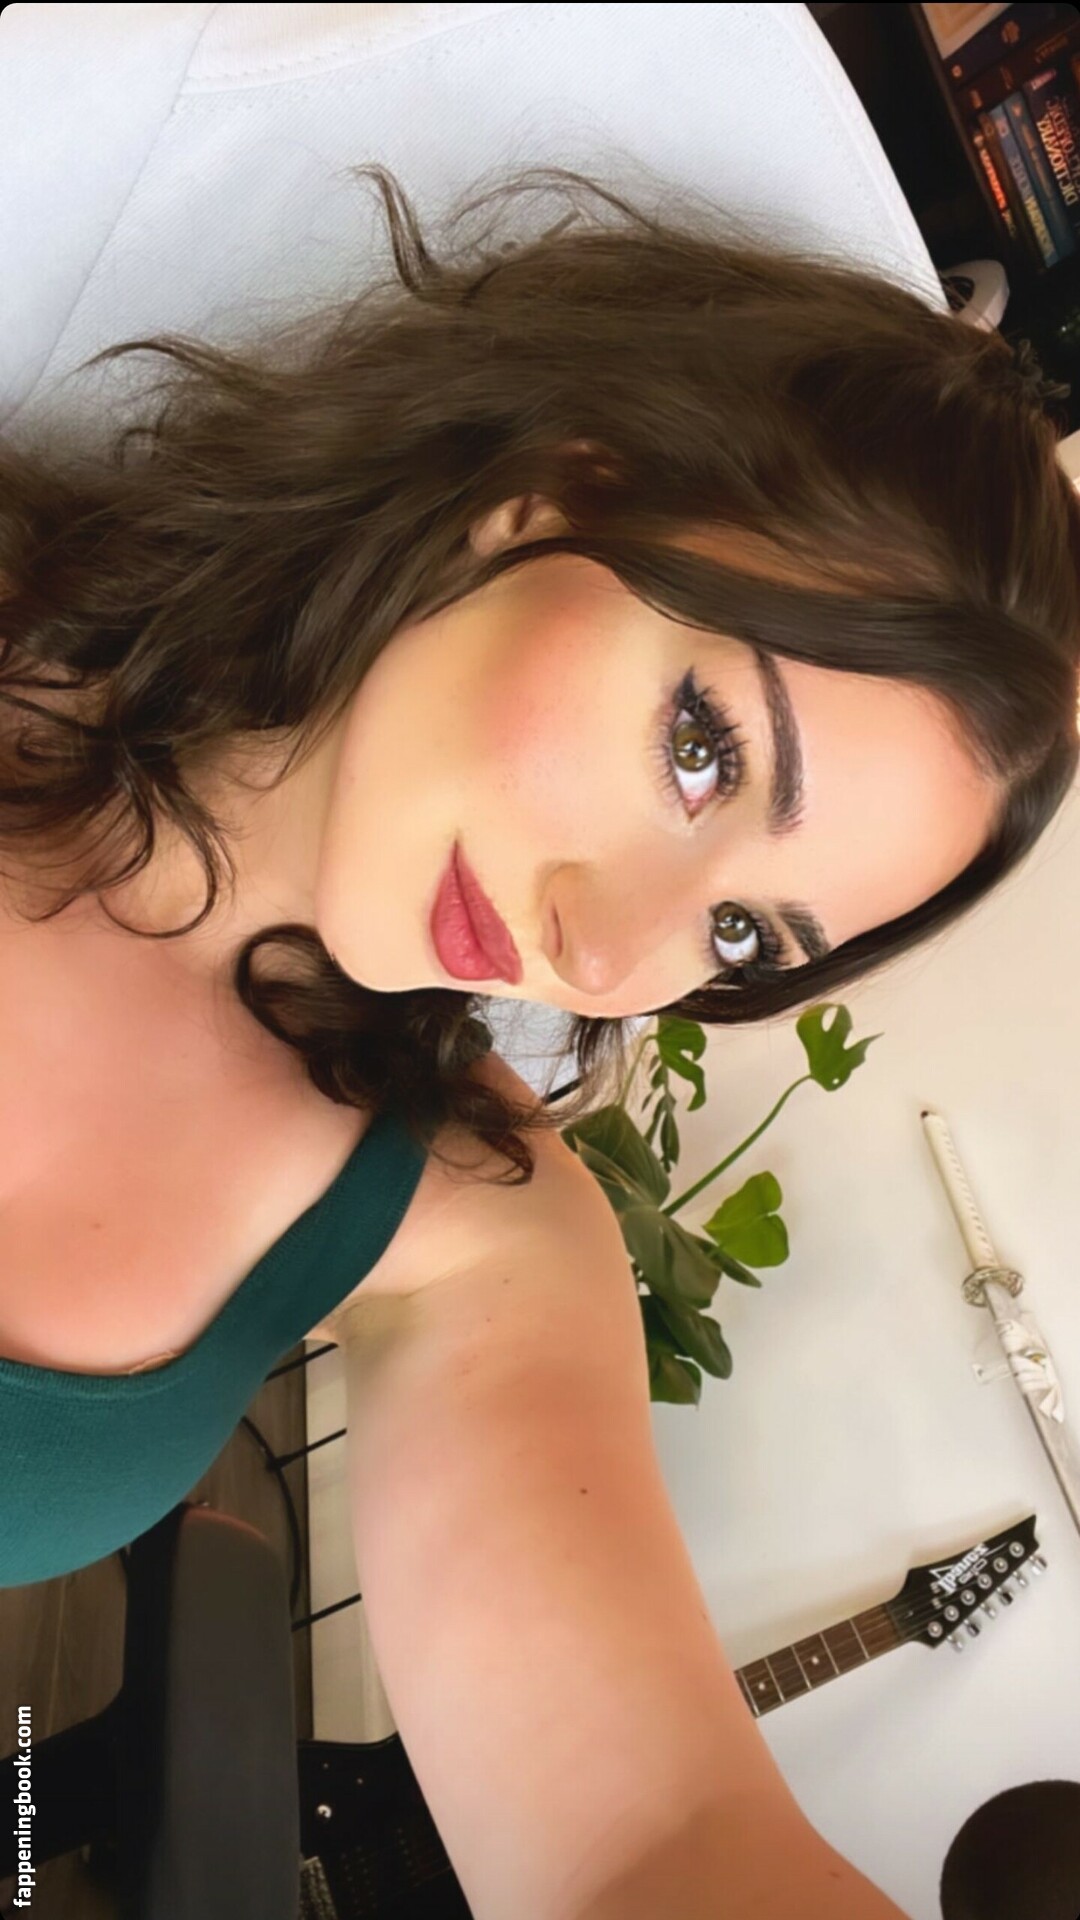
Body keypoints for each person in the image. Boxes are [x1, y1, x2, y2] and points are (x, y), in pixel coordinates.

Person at [0, 166, 1077, 1916]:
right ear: (551, 494)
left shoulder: (469, 1227)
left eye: (741, 936)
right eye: (705, 750)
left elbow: (649, 1846)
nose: (610, 949)